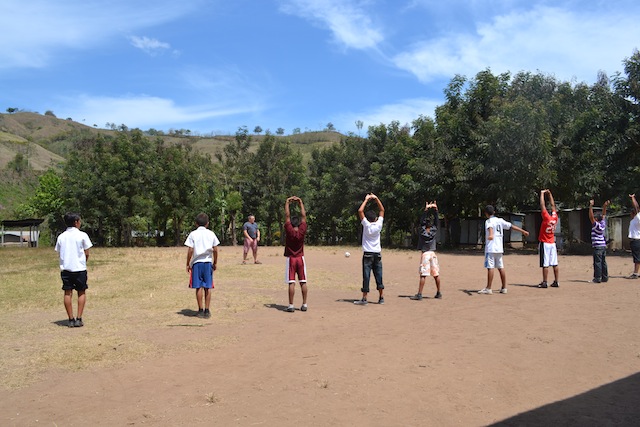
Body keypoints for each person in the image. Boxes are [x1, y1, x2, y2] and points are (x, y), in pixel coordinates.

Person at [478, 205, 530, 295]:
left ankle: (488, 288)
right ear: (494, 212)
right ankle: (504, 287)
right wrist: (522, 231)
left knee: (490, 267)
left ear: (486, 213)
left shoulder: (488, 221)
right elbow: (511, 226)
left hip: (491, 248)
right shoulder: (500, 220)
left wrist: (490, 235)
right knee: (500, 267)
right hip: (499, 248)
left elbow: (490, 228)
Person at [55, 212, 93, 328]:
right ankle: (79, 318)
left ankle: (70, 319)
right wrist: (83, 262)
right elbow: (87, 253)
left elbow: (59, 252)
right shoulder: (82, 235)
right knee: (81, 292)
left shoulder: (61, 236)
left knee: (67, 293)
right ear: (76, 222)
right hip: (80, 269)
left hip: (66, 269)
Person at [185, 213, 220, 319]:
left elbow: (190, 249)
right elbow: (215, 249)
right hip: (207, 262)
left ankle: (200, 310)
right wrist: (215, 262)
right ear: (207, 224)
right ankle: (207, 310)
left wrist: (188, 263)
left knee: (198, 287)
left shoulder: (193, 234)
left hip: (197, 263)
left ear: (196, 224)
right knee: (208, 286)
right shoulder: (211, 234)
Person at [354, 193, 385, 305]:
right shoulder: (379, 225)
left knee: (366, 276)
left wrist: (366, 200)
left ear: (367, 218)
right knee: (379, 275)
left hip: (367, 254)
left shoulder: (366, 225)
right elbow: (382, 210)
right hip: (377, 253)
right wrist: (376, 198)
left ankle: (364, 298)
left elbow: (360, 211)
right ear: (376, 218)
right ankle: (381, 297)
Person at [411, 201, 442, 300]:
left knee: (423, 275)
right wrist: (436, 210)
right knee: (436, 274)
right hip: (432, 253)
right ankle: (438, 292)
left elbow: (421, 222)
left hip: (425, 254)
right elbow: (437, 222)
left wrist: (426, 210)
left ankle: (419, 294)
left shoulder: (422, 231)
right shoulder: (434, 230)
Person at [283, 196, 308, 312]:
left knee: (291, 282)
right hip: (300, 258)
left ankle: (291, 305)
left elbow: (287, 216)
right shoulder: (302, 230)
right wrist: (300, 203)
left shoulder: (289, 230)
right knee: (303, 281)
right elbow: (304, 216)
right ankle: (304, 304)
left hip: (291, 258)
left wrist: (287, 202)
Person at [538, 189, 560, 288]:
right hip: (552, 242)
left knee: (545, 263)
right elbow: (553, 206)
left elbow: (542, 205)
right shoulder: (555, 218)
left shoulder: (546, 217)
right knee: (555, 263)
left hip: (545, 242)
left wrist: (542, 194)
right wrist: (550, 194)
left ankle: (545, 282)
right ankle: (556, 281)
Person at [588, 199, 610, 283]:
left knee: (597, 262)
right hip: (603, 246)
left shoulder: (596, 225)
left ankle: (597, 278)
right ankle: (605, 277)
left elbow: (591, 217)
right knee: (603, 262)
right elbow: (604, 214)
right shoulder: (602, 224)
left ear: (596, 219)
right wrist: (605, 206)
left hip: (597, 246)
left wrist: (590, 206)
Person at [627, 194, 640, 279]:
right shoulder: (635, 219)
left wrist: (633, 198)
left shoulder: (638, 217)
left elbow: (636, 207)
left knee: (637, 257)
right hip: (636, 240)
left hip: (636, 240)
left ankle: (635, 273)